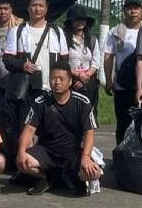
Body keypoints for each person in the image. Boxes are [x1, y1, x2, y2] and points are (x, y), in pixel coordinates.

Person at [2, 0, 67, 167]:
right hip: (27, 91)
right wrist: (22, 65)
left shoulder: (57, 32)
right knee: (25, 129)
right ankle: (23, 166)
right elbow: (7, 59)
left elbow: (64, 62)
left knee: (49, 129)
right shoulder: (18, 31)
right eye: (33, 5)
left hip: (51, 89)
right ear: (28, 8)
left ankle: (45, 167)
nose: (37, 9)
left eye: (41, 5)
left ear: (46, 9)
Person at [18, 65, 102, 196]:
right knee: (22, 161)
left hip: (72, 153)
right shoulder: (40, 102)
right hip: (47, 151)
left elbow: (89, 133)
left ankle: (75, 179)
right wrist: (21, 152)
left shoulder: (83, 103)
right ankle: (46, 178)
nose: (57, 82)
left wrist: (85, 158)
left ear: (70, 82)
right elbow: (28, 131)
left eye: (61, 79)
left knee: (94, 172)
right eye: (53, 78)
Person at [103, 0, 142, 144]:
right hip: (123, 84)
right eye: (129, 8)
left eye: (136, 8)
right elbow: (108, 56)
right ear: (124, 11)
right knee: (122, 122)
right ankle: (121, 156)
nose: (133, 12)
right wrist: (108, 80)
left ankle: (141, 155)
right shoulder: (116, 31)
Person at [63, 5, 100, 114]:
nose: (80, 22)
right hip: (70, 81)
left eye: (83, 19)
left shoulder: (92, 40)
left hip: (88, 82)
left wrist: (85, 76)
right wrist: (78, 76)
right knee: (70, 113)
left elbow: (96, 62)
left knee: (88, 114)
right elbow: (63, 62)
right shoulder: (64, 39)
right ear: (71, 22)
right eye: (77, 19)